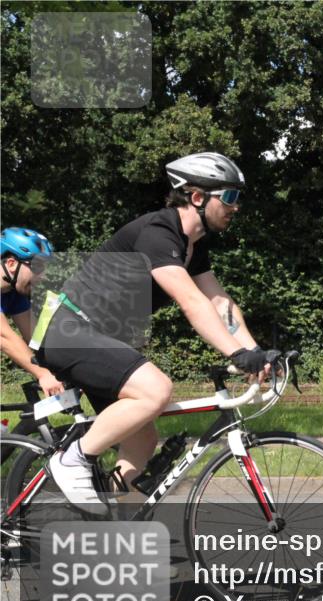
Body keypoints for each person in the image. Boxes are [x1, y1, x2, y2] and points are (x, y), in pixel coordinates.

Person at [34, 152, 274, 514]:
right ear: (197, 197)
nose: (235, 207)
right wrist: (236, 354)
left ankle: (112, 527)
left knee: (143, 438)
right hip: (71, 329)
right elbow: (191, 301)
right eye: (229, 197)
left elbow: (219, 302)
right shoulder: (159, 233)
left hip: (101, 337)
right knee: (156, 389)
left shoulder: (195, 246)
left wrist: (257, 352)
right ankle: (71, 461)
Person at [1, 227, 65, 396]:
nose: (42, 276)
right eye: (37, 267)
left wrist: (64, 366)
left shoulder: (12, 292)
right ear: (11, 264)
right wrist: (43, 374)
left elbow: (35, 337)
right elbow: (4, 337)